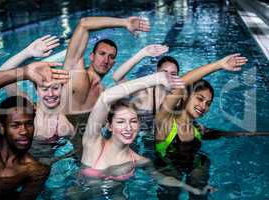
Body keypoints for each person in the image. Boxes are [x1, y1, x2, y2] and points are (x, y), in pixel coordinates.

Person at [76, 71, 211, 199]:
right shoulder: (93, 144)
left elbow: (161, 178)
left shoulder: (139, 160)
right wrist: (156, 78)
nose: (128, 128)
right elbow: (105, 98)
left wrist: (193, 189)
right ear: (110, 126)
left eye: (133, 121)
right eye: (121, 121)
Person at [0, 61, 69, 199]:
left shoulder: (36, 170)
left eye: (28, 124)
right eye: (15, 125)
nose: (23, 131)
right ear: (2, 127)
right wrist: (25, 72)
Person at [154, 53, 248, 199]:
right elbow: (182, 84)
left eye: (208, 104)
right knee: (171, 178)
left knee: (202, 162)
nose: (203, 106)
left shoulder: (198, 130)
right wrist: (219, 65)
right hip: (168, 173)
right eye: (200, 98)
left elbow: (225, 134)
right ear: (185, 95)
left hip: (192, 172)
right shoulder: (165, 121)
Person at [62, 16, 150, 115]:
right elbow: (84, 24)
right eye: (102, 54)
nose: (106, 60)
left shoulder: (104, 95)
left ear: (113, 63)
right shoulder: (75, 73)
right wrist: (125, 23)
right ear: (92, 56)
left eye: (111, 57)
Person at [0, 35, 75, 140]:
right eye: (44, 89)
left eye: (55, 88)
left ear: (62, 88)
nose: (50, 94)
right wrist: (27, 53)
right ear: (36, 90)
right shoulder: (26, 107)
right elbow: (2, 75)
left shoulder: (63, 126)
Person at [113, 44, 180, 113]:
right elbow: (117, 78)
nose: (168, 77)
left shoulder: (177, 97)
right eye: (164, 72)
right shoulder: (143, 92)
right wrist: (142, 53)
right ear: (156, 72)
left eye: (173, 74)